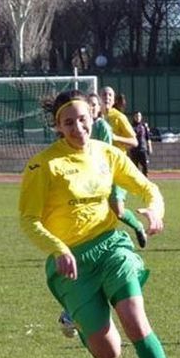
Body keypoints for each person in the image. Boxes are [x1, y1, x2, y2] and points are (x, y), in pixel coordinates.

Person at [19, 89, 180, 358]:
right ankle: (76, 317)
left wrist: (155, 211)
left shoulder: (107, 154)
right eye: (68, 122)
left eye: (83, 119)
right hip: (72, 262)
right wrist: (59, 249)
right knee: (107, 353)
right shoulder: (44, 165)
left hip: (111, 246)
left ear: (93, 119)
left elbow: (148, 188)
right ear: (58, 126)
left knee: (135, 320)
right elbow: (29, 220)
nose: (77, 127)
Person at [57, 92, 116, 337]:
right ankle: (75, 312)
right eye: (69, 122)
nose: (79, 127)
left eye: (93, 106)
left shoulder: (108, 126)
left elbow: (122, 149)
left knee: (116, 269)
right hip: (79, 213)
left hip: (106, 183)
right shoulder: (53, 158)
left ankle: (75, 313)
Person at [100, 86, 146, 249]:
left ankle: (138, 226)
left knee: (118, 211)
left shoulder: (118, 117)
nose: (107, 97)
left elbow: (134, 141)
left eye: (110, 95)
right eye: (104, 94)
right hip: (98, 170)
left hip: (117, 168)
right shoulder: (93, 119)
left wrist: (114, 137)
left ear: (114, 99)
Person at [129, 110, 153, 176]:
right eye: (136, 116)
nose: (138, 117)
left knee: (145, 166)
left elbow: (148, 137)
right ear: (133, 117)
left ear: (141, 117)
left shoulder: (144, 126)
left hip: (143, 149)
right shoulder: (130, 126)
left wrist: (149, 147)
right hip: (134, 150)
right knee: (134, 167)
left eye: (139, 116)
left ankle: (145, 178)